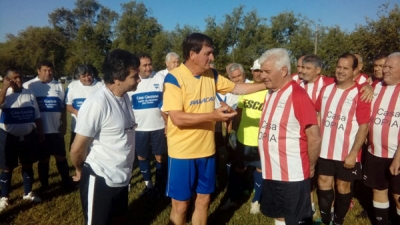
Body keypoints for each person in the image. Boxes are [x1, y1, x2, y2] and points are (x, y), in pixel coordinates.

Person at [163, 33, 267, 225]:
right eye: (208, 53)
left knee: (204, 201)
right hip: (182, 153)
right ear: (192, 54)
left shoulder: (213, 74)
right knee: (181, 206)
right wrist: (213, 116)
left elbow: (238, 89)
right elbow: (177, 118)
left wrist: (268, 84)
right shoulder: (174, 78)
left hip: (207, 150)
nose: (212, 58)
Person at [70, 49, 141, 225]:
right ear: (117, 78)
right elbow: (77, 148)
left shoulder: (124, 98)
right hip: (100, 177)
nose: (138, 80)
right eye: (134, 76)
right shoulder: (97, 104)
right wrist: (80, 170)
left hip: (122, 177)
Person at [257, 48, 321, 225]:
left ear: (283, 71)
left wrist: (312, 165)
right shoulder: (270, 93)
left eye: (267, 71)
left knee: (295, 219)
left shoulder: (298, 95)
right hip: (271, 171)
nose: (262, 75)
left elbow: (314, 137)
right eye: (262, 71)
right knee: (279, 214)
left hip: (292, 174)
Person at [315, 53, 370, 225]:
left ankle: (338, 221)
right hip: (324, 150)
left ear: (355, 71)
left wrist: (354, 153)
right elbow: (318, 114)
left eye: (346, 68)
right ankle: (326, 219)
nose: (340, 71)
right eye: (339, 67)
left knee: (342, 187)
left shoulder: (360, 93)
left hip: (346, 152)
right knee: (323, 182)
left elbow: (364, 126)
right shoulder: (326, 89)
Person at [223, 59, 267, 214]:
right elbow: (239, 113)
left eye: (260, 71)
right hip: (243, 138)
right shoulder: (248, 90)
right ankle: (234, 198)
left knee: (260, 169)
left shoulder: (270, 92)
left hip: (261, 140)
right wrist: (233, 132)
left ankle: (256, 201)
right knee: (239, 168)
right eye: (255, 70)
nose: (257, 73)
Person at [23, 60, 72, 192]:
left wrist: (64, 124)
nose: (48, 72)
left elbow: (62, 108)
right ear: (38, 71)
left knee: (61, 157)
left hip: (55, 129)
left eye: (50, 70)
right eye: (44, 70)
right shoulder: (29, 85)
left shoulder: (58, 85)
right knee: (43, 159)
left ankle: (66, 183)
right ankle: (44, 186)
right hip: (39, 131)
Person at [0, 68, 44, 212]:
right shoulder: (4, 93)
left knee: (27, 164)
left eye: (20, 77)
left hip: (28, 135)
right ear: (7, 79)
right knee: (7, 167)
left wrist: (40, 132)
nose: (19, 80)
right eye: (15, 78)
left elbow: (36, 115)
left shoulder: (29, 93)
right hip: (8, 136)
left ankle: (28, 193)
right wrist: (5, 88)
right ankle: (4, 197)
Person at [364, 52, 400, 225]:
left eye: (389, 67)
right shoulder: (374, 86)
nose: (384, 70)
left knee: (398, 193)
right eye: (384, 66)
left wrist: (398, 158)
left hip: (397, 155)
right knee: (378, 189)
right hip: (375, 151)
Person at [128, 53, 167, 197]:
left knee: (160, 157)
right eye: (145, 65)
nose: (148, 67)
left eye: (150, 64)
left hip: (158, 126)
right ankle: (148, 185)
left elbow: (167, 101)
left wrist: (167, 123)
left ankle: (160, 185)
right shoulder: (133, 81)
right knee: (142, 156)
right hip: (140, 128)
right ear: (138, 67)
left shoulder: (160, 78)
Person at [65, 64, 102, 181]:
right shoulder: (72, 86)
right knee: (78, 147)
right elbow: (68, 105)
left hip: (97, 123)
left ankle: (95, 168)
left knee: (94, 146)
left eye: (89, 75)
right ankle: (79, 171)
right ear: (78, 76)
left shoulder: (100, 85)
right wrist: (77, 113)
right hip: (78, 124)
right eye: (84, 76)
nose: (87, 78)